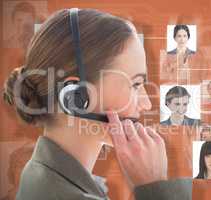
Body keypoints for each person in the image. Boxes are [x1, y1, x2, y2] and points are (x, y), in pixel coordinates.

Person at [3, 8, 191, 200]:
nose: (147, 104)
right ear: (76, 96)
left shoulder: (37, 171)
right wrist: (155, 186)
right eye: (135, 84)